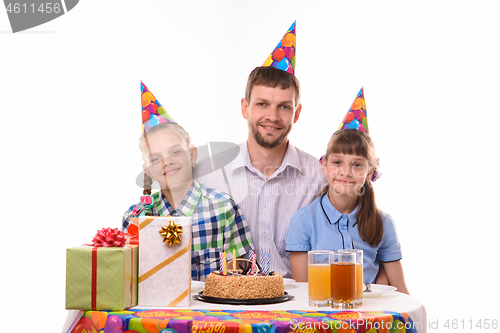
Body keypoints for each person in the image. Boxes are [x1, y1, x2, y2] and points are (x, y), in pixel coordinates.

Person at [195, 22, 326, 278]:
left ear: (296, 113)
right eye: (262, 104)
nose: (272, 116)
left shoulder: (319, 177)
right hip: (228, 304)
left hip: (295, 307)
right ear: (245, 108)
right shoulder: (208, 174)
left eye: (284, 107)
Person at [122, 82, 254, 282]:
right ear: (148, 170)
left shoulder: (223, 208)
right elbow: (127, 282)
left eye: (175, 151)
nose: (167, 162)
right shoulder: (134, 218)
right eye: (156, 158)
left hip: (211, 312)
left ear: (192, 155)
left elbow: (239, 277)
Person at [285, 89, 409, 294]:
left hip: (369, 318)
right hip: (321, 317)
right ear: (324, 165)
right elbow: (303, 293)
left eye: (357, 165)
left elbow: (401, 292)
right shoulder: (304, 220)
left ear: (370, 172)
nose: (346, 172)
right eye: (337, 162)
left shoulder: (383, 223)